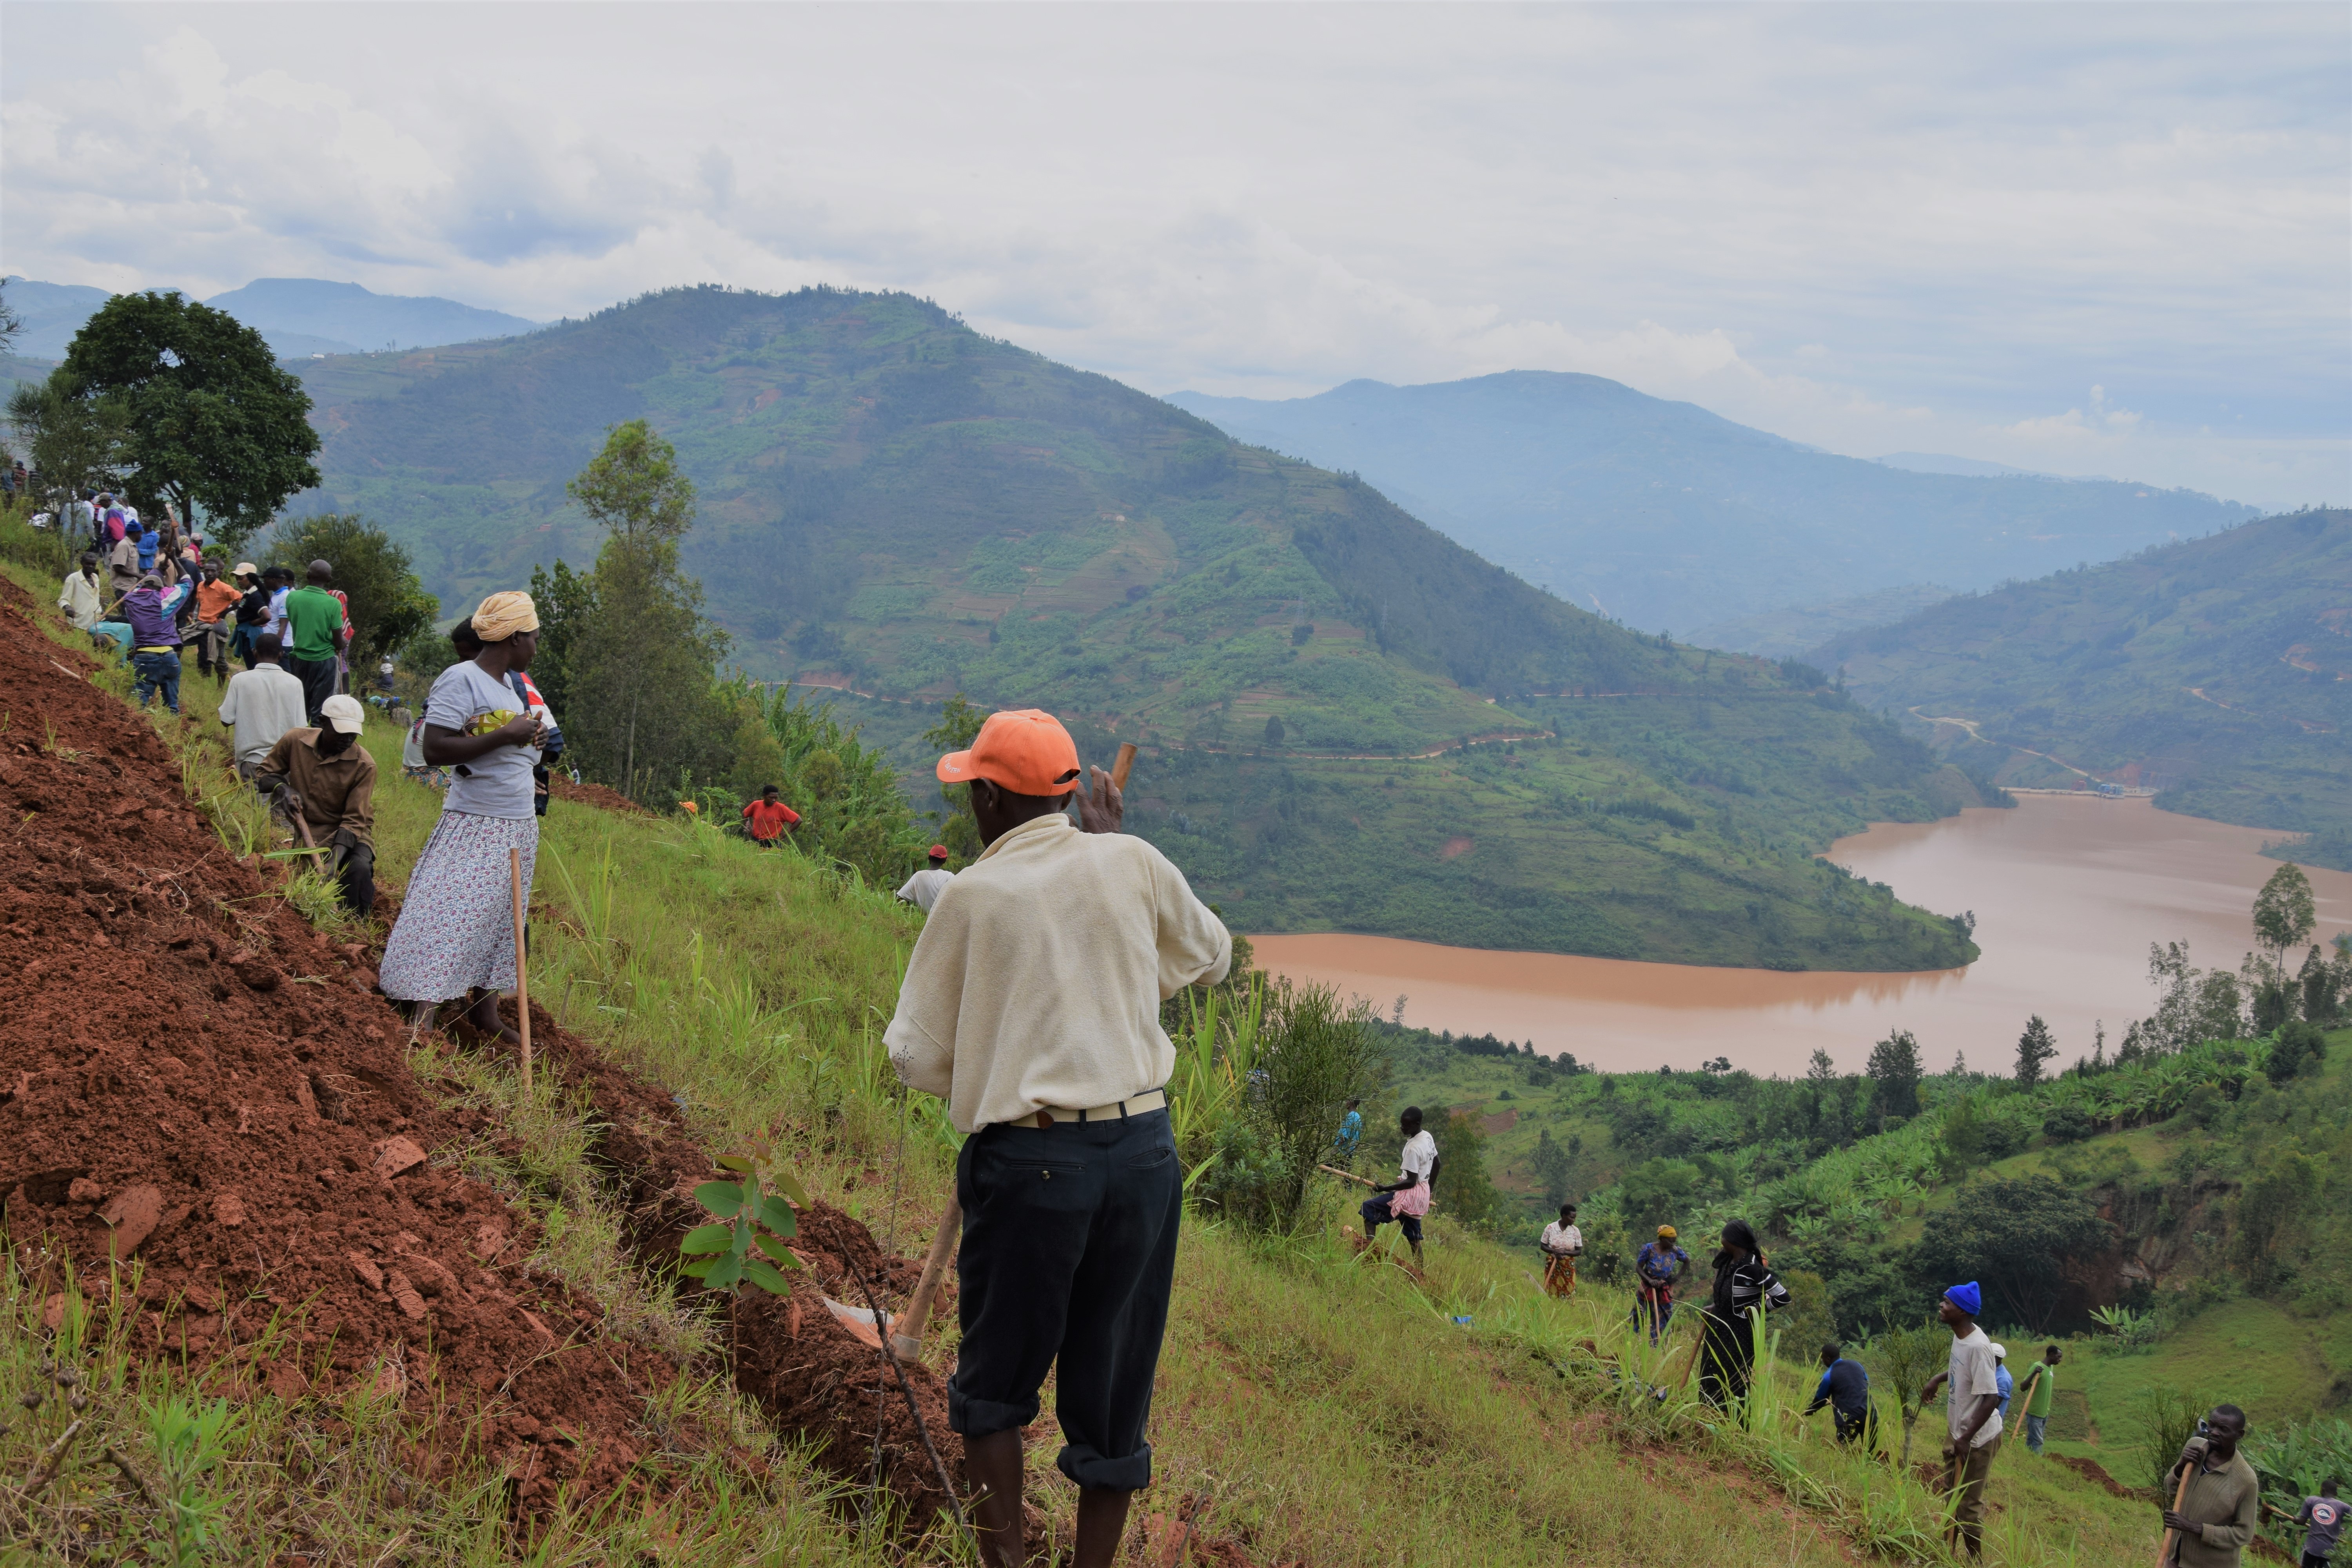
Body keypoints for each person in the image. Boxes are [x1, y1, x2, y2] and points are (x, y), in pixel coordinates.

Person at [883, 706, 1229, 1568]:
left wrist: (997, 1064)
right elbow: (1210, 954)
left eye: (973, 789)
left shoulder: (973, 894)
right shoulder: (1133, 858)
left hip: (1032, 1160)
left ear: (994, 799)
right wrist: (1115, 873)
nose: (970, 802)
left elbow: (914, 1054)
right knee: (1114, 1392)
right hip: (1146, 1152)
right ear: (1075, 796)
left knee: (994, 1384)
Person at [378, 593, 549, 1045]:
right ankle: (424, 1015)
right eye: (533, 638)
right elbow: (435, 749)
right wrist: (506, 735)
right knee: (449, 913)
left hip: (517, 823)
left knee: (499, 920)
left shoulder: (511, 684)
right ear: (515, 638)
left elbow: (503, 744)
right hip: (477, 821)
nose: (536, 645)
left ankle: (484, 1011)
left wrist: (531, 737)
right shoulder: (462, 678)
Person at [254, 694, 377, 914]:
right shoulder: (295, 740)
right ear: (322, 722)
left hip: (349, 834)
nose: (347, 740)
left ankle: (355, 928)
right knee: (301, 894)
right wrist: (283, 788)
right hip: (310, 832)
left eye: (352, 735)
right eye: (341, 733)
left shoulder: (364, 766)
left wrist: (334, 862)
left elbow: (355, 821)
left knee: (358, 870)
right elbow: (263, 776)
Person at [1919, 1281, 2005, 1559]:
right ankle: (1946, 1554)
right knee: (1951, 1494)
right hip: (1959, 1431)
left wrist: (1967, 1438)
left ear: (1963, 1311)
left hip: (1977, 1438)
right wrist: (1937, 1379)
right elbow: (1959, 1370)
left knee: (1968, 1505)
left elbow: (1992, 1398)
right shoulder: (1961, 1337)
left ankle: (1975, 1562)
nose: (1942, 1306)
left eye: (1947, 1303)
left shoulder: (1979, 1347)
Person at [1695, 1219, 1790, 1409]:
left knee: (1735, 1380)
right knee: (1710, 1373)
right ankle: (1706, 1418)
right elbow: (1726, 1292)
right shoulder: (1727, 1262)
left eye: (1724, 1236)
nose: (1721, 1240)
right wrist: (1715, 1306)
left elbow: (1782, 1297)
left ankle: (1734, 1426)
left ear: (1734, 1240)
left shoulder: (1753, 1269)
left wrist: (1758, 1308)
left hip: (1740, 1335)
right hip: (1717, 1328)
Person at [2160, 1404, 2259, 1568]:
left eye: (2223, 1429)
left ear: (2239, 1435)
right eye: (2212, 1425)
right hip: (2173, 1558)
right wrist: (2181, 1466)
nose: (2214, 1432)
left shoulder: (2246, 1480)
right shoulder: (2194, 1447)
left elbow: (2243, 1534)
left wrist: (2194, 1527)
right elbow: (2170, 1488)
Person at [218, 633, 312, 780]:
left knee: (255, 802)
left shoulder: (240, 680)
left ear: (254, 652)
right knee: (279, 801)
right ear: (281, 655)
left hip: (252, 762)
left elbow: (226, 720)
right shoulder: (295, 684)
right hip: (284, 764)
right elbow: (301, 729)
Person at [1359, 1105, 1439, 1267]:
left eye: (1406, 1125)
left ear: (1417, 1124)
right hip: (1421, 1195)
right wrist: (1428, 1190)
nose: (1402, 1128)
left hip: (1409, 1194)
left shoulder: (1413, 1148)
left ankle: (1370, 1253)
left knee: (1369, 1208)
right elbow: (1437, 1164)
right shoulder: (1427, 1137)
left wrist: (1384, 1188)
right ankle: (1420, 1272)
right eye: (1402, 1124)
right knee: (1414, 1237)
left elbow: (1410, 1182)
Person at [282, 560, 348, 726]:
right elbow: (338, 641)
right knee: (321, 712)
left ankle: (296, 746)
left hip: (298, 659)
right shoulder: (333, 603)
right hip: (324, 662)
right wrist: (344, 642)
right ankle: (314, 748)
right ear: (329, 579)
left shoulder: (293, 597)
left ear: (308, 575)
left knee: (300, 709)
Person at [122, 573, 188, 715]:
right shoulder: (163, 601)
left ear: (142, 587)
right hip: (170, 658)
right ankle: (173, 731)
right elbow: (187, 586)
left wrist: (151, 575)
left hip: (145, 658)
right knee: (172, 705)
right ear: (160, 590)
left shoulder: (130, 600)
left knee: (139, 704)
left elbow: (135, 589)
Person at [1806, 1343, 1874, 1445]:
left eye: (1823, 1358)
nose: (1823, 1361)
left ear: (1828, 1359)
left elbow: (1821, 1399)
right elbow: (1868, 1385)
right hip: (1870, 1413)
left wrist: (1810, 1410)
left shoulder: (1829, 1376)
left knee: (1842, 1449)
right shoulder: (1857, 1365)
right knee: (1870, 1453)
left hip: (1850, 1418)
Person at [1633, 1225, 1690, 1345]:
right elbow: (1639, 1268)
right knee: (1641, 1314)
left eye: (1674, 1241)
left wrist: (1675, 1279)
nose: (1673, 1244)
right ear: (1662, 1239)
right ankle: (1634, 1340)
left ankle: (1658, 1344)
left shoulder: (1675, 1251)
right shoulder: (1648, 1249)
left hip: (1665, 1288)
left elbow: (1687, 1261)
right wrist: (1650, 1280)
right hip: (1648, 1288)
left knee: (1665, 1316)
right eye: (1670, 1241)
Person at [190, 559, 241, 684]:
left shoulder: (224, 588)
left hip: (217, 626)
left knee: (219, 657)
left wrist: (227, 611)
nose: (209, 573)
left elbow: (243, 599)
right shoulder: (201, 586)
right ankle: (204, 680)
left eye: (213, 571)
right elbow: (201, 603)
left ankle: (221, 683)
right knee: (203, 654)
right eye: (207, 570)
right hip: (202, 624)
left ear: (219, 573)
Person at [2014, 1344, 2061, 1455]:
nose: (2060, 1360)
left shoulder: (2050, 1368)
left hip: (2045, 1412)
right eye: (2058, 1357)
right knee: (2038, 1441)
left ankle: (2025, 1457)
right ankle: (2037, 1463)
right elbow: (2023, 1387)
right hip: (2035, 1412)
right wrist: (2034, 1373)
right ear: (2051, 1355)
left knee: (2032, 1440)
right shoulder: (2037, 1367)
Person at [1539, 1201, 1583, 1298]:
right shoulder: (1550, 1228)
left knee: (1569, 1288)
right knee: (1551, 1287)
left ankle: (1568, 1306)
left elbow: (1579, 1251)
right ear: (1564, 1216)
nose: (1574, 1220)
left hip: (1568, 1265)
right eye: (1572, 1217)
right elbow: (1543, 1246)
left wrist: (1564, 1252)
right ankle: (1551, 1303)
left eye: (1575, 1218)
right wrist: (1555, 1251)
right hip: (1553, 1263)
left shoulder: (1575, 1231)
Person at [229, 563, 269, 668]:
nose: (239, 581)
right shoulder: (248, 594)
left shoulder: (255, 596)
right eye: (237, 579)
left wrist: (253, 623)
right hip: (246, 634)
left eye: (241, 578)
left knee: (253, 665)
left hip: (251, 636)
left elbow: (267, 616)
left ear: (251, 578)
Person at [2297, 1479, 2344, 1568]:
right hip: (2330, 1552)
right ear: (2336, 1494)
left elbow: (2302, 1522)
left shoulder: (2312, 1500)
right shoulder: (2343, 1506)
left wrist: (2295, 1520)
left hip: (2311, 1548)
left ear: (2322, 1490)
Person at [744, 784, 803, 850]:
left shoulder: (781, 808)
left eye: (776, 798)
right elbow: (745, 814)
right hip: (755, 842)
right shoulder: (756, 805)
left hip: (772, 845)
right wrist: (748, 827)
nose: (774, 800)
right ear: (764, 796)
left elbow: (798, 820)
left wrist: (784, 835)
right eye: (771, 797)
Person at [58, 553, 102, 632]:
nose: (91, 567)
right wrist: (67, 607)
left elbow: (95, 599)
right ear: (82, 563)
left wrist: (100, 611)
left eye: (93, 564)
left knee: (124, 620)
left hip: (96, 621)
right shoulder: (73, 579)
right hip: (79, 623)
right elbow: (63, 600)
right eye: (88, 564)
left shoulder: (95, 578)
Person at [107, 521, 143, 602]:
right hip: (123, 587)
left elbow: (113, 558)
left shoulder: (131, 545)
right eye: (141, 534)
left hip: (130, 587)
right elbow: (117, 567)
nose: (142, 536)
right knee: (125, 614)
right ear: (136, 533)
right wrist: (138, 575)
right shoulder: (124, 545)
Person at [1332, 1096, 1364, 1165]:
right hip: (1350, 1150)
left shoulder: (1351, 1117)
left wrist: (1336, 1150)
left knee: (1326, 1170)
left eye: (1348, 1101)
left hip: (1342, 1151)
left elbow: (1344, 1135)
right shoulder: (1358, 1117)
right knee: (1344, 1172)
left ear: (1351, 1103)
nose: (1346, 1102)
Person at [1992, 1343, 2014, 1417]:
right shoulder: (1992, 1370)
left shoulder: (2003, 1379)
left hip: (1992, 1418)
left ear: (1995, 1358)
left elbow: (1994, 1405)